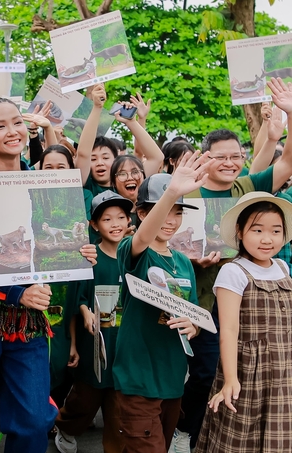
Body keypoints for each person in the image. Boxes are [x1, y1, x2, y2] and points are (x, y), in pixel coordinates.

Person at [0, 97, 97, 453]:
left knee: (32, 418)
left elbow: (47, 248)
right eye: (0, 126)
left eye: (16, 122)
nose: (12, 131)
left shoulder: (46, 184)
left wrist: (77, 253)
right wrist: (16, 292)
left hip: (27, 319)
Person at [172, 78, 292, 452]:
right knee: (206, 372)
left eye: (235, 155)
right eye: (220, 155)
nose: (229, 162)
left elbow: (287, 160)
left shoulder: (248, 188)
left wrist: (288, 112)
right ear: (204, 156)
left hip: (253, 304)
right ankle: (184, 430)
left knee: (245, 377)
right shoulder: (186, 191)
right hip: (202, 299)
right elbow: (161, 241)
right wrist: (188, 257)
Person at [114, 156, 212, 453]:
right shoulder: (133, 251)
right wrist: (171, 193)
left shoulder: (183, 262)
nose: (171, 220)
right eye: (164, 212)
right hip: (138, 379)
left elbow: (193, 313)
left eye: (178, 213)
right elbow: (142, 238)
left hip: (172, 380)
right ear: (142, 213)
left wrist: (192, 325)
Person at [193, 192, 292, 452]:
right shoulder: (233, 271)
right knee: (241, 437)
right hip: (248, 371)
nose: (267, 239)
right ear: (240, 230)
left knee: (281, 433)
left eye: (275, 230)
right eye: (257, 229)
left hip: (284, 368)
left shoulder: (282, 267)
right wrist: (230, 379)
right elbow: (228, 330)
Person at [54, 191, 132, 453]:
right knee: (83, 401)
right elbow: (78, 304)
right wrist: (74, 344)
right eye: (107, 219)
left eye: (121, 217)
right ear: (94, 225)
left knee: (118, 409)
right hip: (93, 349)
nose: (115, 224)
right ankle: (65, 427)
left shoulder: (134, 258)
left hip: (124, 349)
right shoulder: (89, 258)